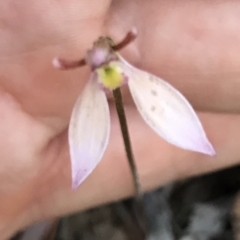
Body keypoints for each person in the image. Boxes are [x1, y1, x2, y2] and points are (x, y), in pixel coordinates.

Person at [1, 0, 240, 239]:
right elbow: (86, 151)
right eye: (102, 65)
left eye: (107, 61)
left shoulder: (130, 78)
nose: (106, 68)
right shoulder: (95, 91)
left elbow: (176, 121)